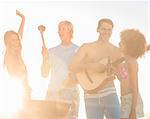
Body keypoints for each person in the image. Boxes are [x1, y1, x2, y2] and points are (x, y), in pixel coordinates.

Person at [69, 18, 121, 119]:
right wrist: (91, 66)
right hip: (90, 95)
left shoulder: (116, 51)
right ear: (98, 29)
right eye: (103, 29)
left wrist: (119, 72)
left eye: (109, 30)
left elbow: (122, 76)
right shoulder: (87, 47)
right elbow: (71, 65)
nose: (106, 32)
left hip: (109, 92)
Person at [41, 20, 79, 119]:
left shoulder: (78, 50)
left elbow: (81, 75)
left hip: (70, 93)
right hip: (52, 92)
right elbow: (44, 74)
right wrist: (44, 57)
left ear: (71, 31)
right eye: (59, 29)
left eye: (63, 29)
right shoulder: (51, 51)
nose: (60, 31)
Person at [116, 29, 146, 119]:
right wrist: (115, 71)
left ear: (129, 45)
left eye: (122, 42)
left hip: (131, 100)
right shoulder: (125, 63)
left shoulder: (132, 62)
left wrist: (133, 110)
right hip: (124, 99)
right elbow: (123, 79)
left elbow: (135, 87)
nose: (119, 43)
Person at [3, 10, 31, 104]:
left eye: (17, 40)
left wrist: (23, 18)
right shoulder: (9, 56)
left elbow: (20, 35)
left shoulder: (17, 53)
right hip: (19, 94)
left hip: (25, 91)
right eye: (13, 40)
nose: (17, 42)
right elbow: (15, 76)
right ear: (8, 42)